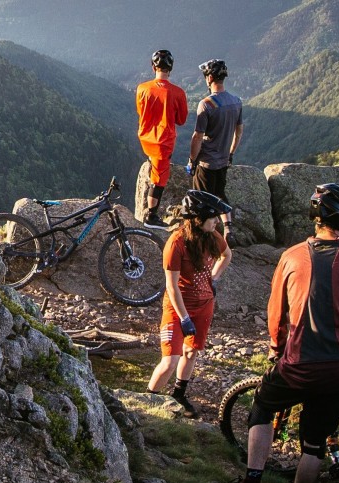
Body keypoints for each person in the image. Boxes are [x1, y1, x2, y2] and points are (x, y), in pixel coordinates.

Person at [216, 183, 339, 483]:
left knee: (262, 406)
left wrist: (277, 347)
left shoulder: (291, 256)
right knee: (314, 444)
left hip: (298, 364)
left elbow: (276, 313)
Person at [147, 190, 233, 418]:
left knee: (191, 352)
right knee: (170, 360)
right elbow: (171, 286)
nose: (217, 222)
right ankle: (147, 400)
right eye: (213, 217)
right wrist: (184, 318)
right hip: (177, 307)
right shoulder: (176, 244)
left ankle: (179, 394)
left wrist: (214, 278)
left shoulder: (211, 236)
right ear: (198, 218)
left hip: (204, 304)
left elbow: (227, 255)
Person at [187, 59, 243, 246]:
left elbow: (197, 136)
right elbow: (239, 131)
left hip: (206, 162)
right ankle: (228, 228)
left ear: (209, 78)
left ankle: (204, 238)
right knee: (220, 193)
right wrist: (231, 153)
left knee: (202, 199)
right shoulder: (236, 102)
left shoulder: (206, 104)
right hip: (223, 160)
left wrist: (192, 160)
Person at [136, 49, 188, 230]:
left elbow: (140, 112)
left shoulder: (142, 88)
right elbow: (181, 120)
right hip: (163, 142)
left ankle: (150, 212)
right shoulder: (178, 93)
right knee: (159, 179)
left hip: (146, 138)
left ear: (153, 67)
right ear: (170, 68)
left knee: (156, 170)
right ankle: (151, 216)